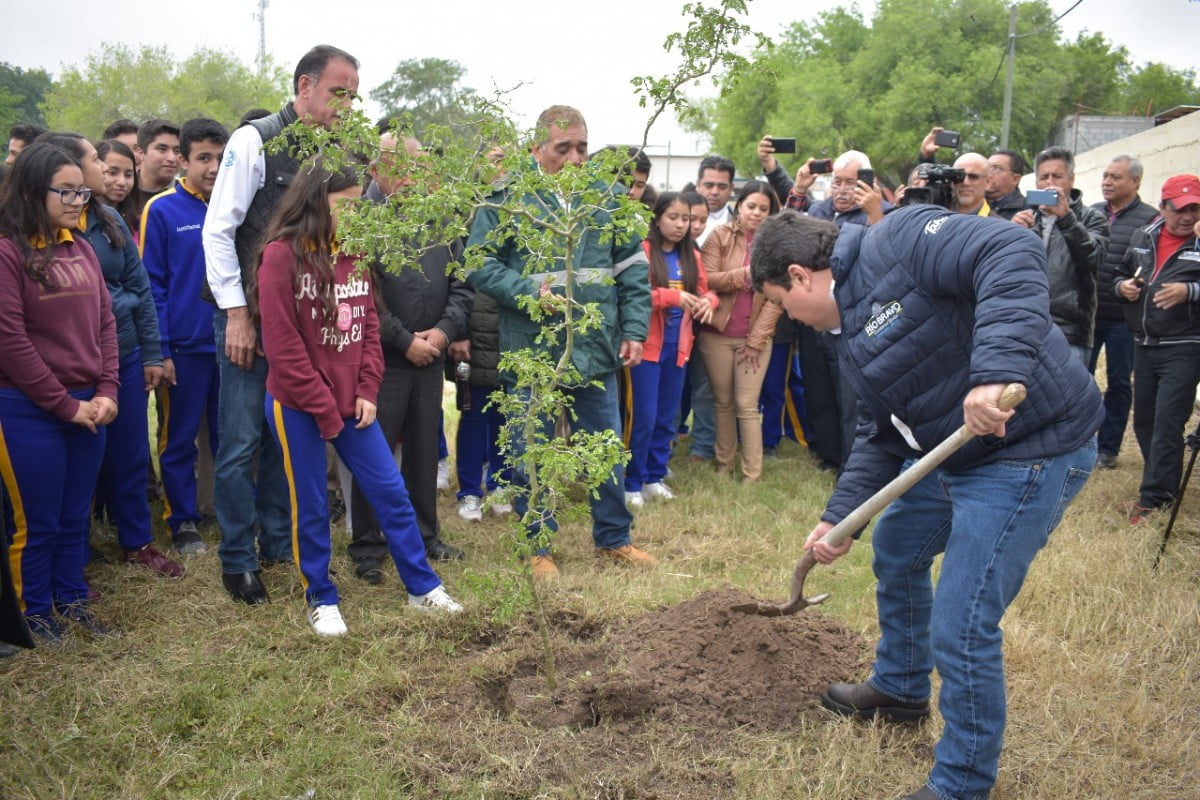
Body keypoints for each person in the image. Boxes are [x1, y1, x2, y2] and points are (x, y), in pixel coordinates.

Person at [750, 206, 1101, 800]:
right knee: (898, 548)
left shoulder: (900, 241)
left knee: (961, 624)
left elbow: (1008, 251)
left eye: (781, 302)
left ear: (800, 275)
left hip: (1030, 446)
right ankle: (902, 688)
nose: (789, 317)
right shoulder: (850, 331)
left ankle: (961, 784)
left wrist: (995, 372)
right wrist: (841, 519)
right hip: (954, 452)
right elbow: (881, 433)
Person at [254, 158, 463, 636]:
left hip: (353, 403)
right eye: (345, 206)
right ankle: (321, 597)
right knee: (310, 503)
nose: (357, 215)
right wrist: (328, 414)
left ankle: (422, 587)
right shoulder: (281, 257)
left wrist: (367, 389)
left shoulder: (355, 250)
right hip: (298, 405)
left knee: (390, 490)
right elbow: (284, 352)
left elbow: (369, 325)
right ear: (315, 203)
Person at [466, 104, 655, 579]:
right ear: (536, 150)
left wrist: (633, 330)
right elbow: (478, 264)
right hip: (532, 350)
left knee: (605, 447)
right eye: (562, 148)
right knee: (530, 448)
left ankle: (614, 538)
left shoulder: (608, 200)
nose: (574, 159)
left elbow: (632, 270)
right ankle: (537, 546)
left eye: (582, 148)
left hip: (594, 351)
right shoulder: (507, 199)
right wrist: (528, 290)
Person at [203, 44, 360, 605]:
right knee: (242, 440)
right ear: (304, 86)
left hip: (305, 324)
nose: (346, 105)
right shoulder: (256, 140)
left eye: (353, 96)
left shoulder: (339, 151)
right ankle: (238, 560)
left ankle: (277, 543)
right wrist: (237, 315)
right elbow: (219, 232)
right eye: (338, 93)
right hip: (251, 318)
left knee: (284, 439)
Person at [39, 131, 181, 579]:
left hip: (125, 354)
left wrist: (153, 354)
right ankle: (75, 555)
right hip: (73, 364)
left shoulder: (112, 221)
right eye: (97, 161)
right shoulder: (40, 234)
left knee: (131, 453)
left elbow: (139, 287)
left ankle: (137, 542)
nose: (106, 169)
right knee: (78, 464)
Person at [0, 142, 121, 642]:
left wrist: (108, 390)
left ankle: (71, 600)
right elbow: (10, 340)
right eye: (66, 192)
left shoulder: (81, 247)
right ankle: (34, 612)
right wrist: (63, 405)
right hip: (27, 409)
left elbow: (105, 323)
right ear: (32, 190)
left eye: (81, 192)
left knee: (75, 517)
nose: (78, 201)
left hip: (88, 404)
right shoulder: (8, 251)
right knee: (37, 521)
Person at [348, 133, 471, 581]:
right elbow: (363, 295)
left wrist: (441, 334)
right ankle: (367, 545)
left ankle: (425, 534)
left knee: (423, 450)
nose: (410, 176)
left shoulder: (442, 220)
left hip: (431, 359)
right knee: (374, 454)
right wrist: (404, 341)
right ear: (376, 171)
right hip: (383, 361)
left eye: (417, 166)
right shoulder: (363, 220)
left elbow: (462, 287)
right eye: (398, 166)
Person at [140, 118, 229, 553]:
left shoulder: (235, 205)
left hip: (231, 345)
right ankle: (182, 520)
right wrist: (161, 350)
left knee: (229, 436)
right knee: (179, 439)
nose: (213, 167)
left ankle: (228, 514)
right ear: (183, 160)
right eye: (203, 158)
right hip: (185, 350)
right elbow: (151, 286)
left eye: (220, 157)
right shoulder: (161, 210)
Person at [1113, 174, 1200, 524]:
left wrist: (1189, 291)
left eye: (1195, 209)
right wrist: (1123, 288)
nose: (1188, 217)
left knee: (1167, 422)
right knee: (1145, 421)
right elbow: (1119, 273)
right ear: (1163, 208)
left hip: (1185, 345)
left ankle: (1155, 500)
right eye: (1180, 209)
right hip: (1144, 342)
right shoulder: (1143, 237)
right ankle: (1160, 480)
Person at [625, 191, 716, 506]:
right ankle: (631, 482)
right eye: (673, 217)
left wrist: (707, 302)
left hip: (679, 349)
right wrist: (670, 297)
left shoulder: (692, 255)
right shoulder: (643, 251)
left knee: (667, 418)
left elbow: (707, 292)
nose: (681, 225)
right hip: (647, 350)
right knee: (644, 418)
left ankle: (654, 476)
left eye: (686, 219)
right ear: (657, 218)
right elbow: (633, 297)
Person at [699, 179, 782, 483]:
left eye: (764, 208)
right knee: (723, 403)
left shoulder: (775, 246)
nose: (757, 213)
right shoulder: (718, 237)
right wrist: (744, 275)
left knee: (747, 406)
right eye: (752, 206)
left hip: (754, 340)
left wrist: (756, 341)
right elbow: (706, 279)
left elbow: (776, 299)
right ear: (739, 206)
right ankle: (724, 465)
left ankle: (752, 474)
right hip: (716, 336)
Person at [1089, 155, 1159, 470]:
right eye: (1105, 175)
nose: (1107, 181)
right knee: (1080, 379)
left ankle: (1108, 448)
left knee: (1118, 382)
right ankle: (1080, 441)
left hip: (1123, 317)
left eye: (1115, 177)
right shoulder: (1090, 213)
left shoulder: (1151, 219)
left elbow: (1156, 267)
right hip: (1088, 314)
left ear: (1135, 182)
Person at [1012, 146, 1109, 365]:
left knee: (1070, 396)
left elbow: (1093, 258)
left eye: (1057, 176)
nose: (1049, 182)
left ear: (1071, 179)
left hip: (1069, 330)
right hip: (1026, 323)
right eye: (1043, 177)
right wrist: (1013, 231)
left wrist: (1066, 218)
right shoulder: (1028, 216)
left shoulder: (1093, 217)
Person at [134, 119, 180, 214]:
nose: (172, 158)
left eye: (177, 151)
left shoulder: (189, 195)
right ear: (141, 152)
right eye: (162, 149)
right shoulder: (123, 192)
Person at [96, 139, 140, 234]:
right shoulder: (82, 221)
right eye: (112, 173)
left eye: (128, 175)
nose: (122, 182)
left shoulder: (138, 223)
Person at [985, 149, 1027, 220]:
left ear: (1015, 179)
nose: (988, 174)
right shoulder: (972, 203)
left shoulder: (1027, 211)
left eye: (996, 169)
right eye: (987, 168)